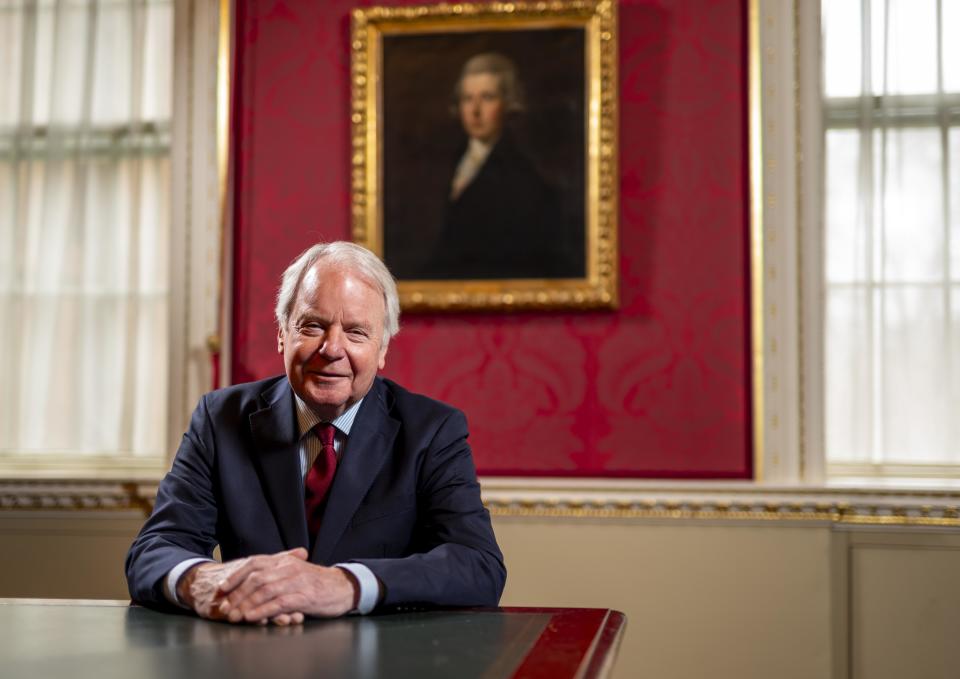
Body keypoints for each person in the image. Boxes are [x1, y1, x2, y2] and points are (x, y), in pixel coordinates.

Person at [126, 241, 506, 624]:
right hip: (251, 656)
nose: (331, 348)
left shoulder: (432, 431)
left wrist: (345, 585)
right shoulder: (219, 419)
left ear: (382, 349)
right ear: (281, 334)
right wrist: (203, 580)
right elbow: (154, 550)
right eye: (313, 326)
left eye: (356, 332)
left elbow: (478, 565)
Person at [420, 52, 576, 280]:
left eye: (487, 97)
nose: (475, 110)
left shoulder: (524, 178)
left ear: (508, 103)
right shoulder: (446, 162)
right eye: (467, 98)